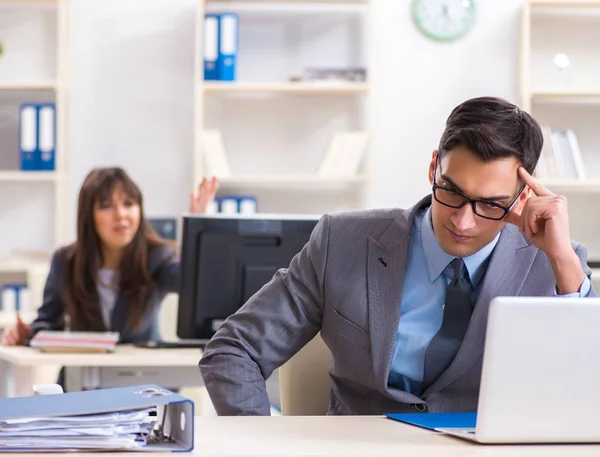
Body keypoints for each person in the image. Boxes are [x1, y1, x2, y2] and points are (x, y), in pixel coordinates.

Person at [198, 96, 597, 416]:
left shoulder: (558, 262)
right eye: (451, 191)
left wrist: (562, 262)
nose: (463, 220)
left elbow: (587, 387)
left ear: (523, 196)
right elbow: (235, 350)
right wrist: (261, 445)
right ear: (432, 168)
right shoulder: (343, 241)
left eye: (490, 204)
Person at [1, 167, 219, 347]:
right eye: (106, 206)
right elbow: (47, 323)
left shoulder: (157, 257)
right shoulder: (66, 261)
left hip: (143, 382)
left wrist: (198, 230)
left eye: (128, 204)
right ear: (89, 216)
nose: (121, 215)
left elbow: (191, 283)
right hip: (83, 384)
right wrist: (27, 334)